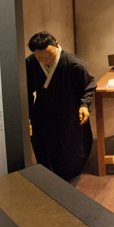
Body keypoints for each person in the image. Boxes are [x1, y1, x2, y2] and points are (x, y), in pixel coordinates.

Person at [26, 31, 95, 181]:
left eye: (50, 55)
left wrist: (84, 104)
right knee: (44, 144)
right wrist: (28, 116)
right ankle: (48, 174)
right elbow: (26, 91)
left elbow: (89, 84)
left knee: (70, 146)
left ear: (56, 45)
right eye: (40, 57)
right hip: (43, 110)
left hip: (69, 109)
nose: (47, 60)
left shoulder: (73, 63)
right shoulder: (31, 63)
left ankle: (71, 172)